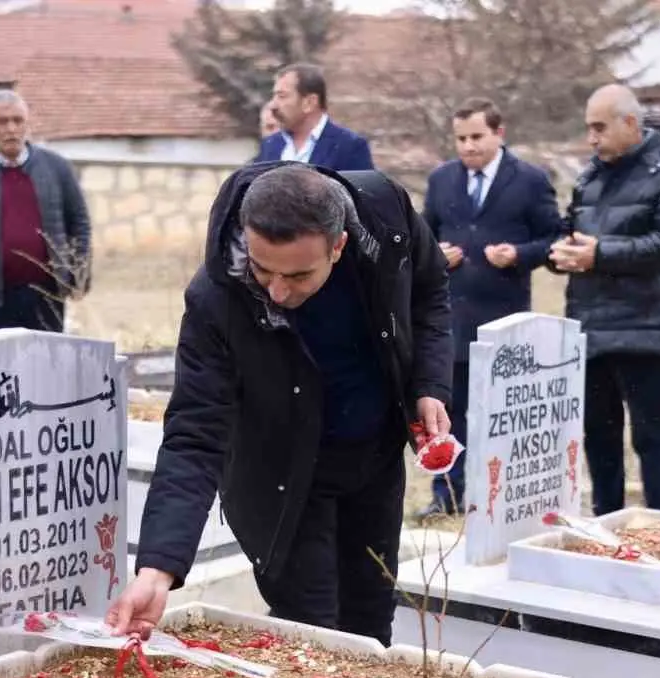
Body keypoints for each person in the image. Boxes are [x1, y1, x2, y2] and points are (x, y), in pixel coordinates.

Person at [105, 162, 453, 647]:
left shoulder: (384, 216)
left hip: (372, 461)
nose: (276, 291)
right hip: (281, 480)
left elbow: (430, 290)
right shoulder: (216, 300)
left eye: (298, 275)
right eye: (261, 267)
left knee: (371, 623)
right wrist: (159, 567)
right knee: (309, 633)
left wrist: (429, 384)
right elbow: (195, 433)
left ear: (339, 245)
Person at [548, 84, 660, 515]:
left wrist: (600, 255)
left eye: (599, 128)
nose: (591, 138)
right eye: (588, 129)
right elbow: (572, 231)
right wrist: (562, 253)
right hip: (591, 328)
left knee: (651, 436)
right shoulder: (590, 176)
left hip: (643, 328)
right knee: (598, 435)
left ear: (630, 123)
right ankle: (606, 522)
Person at [418, 97, 563, 517]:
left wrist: (519, 253)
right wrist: (435, 256)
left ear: (499, 134)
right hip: (451, 319)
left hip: (505, 319)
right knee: (450, 412)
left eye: (476, 137)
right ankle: (447, 495)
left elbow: (553, 240)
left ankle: (496, 495)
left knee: (498, 413)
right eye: (461, 138)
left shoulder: (530, 180)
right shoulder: (442, 180)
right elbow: (423, 236)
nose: (468, 146)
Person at [0, 90, 92, 333]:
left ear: (27, 124)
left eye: (17, 120)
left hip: (47, 295)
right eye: (2, 122)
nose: (11, 128)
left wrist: (78, 276)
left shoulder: (57, 168)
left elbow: (79, 224)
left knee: (46, 366)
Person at [253, 63, 374, 171]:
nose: (273, 105)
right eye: (274, 96)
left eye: (282, 96)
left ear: (310, 102)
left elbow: (361, 195)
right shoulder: (270, 144)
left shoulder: (349, 146)